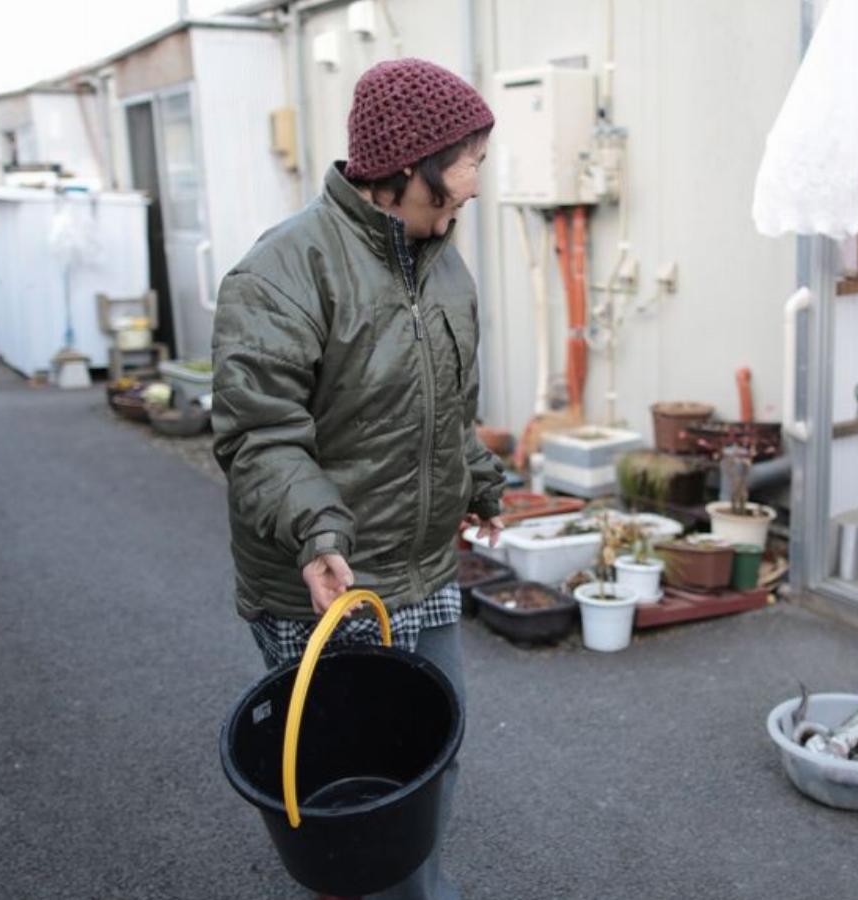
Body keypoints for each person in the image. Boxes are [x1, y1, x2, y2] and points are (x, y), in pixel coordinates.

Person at [211, 58, 505, 899]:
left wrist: (478, 478)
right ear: (407, 166)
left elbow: (447, 409)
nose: (478, 184)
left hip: (423, 568)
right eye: (471, 161)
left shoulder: (445, 265)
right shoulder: (282, 272)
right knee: (359, 797)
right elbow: (259, 436)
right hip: (324, 577)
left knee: (431, 761)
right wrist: (319, 533)